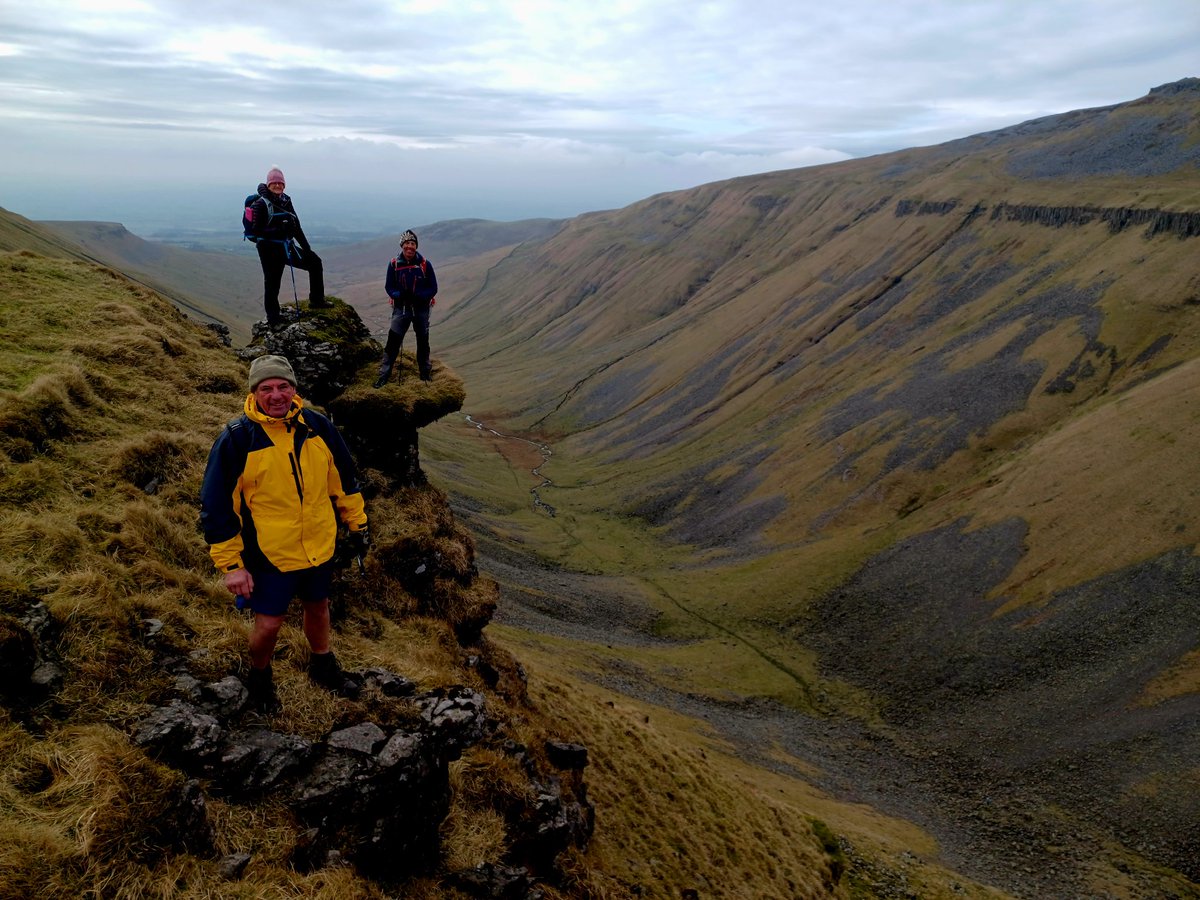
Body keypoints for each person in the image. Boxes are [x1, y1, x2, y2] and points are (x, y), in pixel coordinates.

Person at [200, 354, 369, 712]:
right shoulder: (237, 439)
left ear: (294, 389)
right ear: (254, 393)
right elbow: (217, 507)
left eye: (283, 386)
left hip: (318, 545)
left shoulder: (317, 426)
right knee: (270, 623)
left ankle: (322, 663)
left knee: (319, 606)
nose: (276, 395)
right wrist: (232, 566)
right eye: (266, 388)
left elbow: (343, 478)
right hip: (269, 554)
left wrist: (357, 524)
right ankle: (259, 676)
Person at [248, 166, 328, 326]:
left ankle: (317, 301)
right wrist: (279, 229)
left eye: (280, 183)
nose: (277, 186)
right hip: (268, 250)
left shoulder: (286, 200)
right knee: (272, 282)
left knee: (315, 262)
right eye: (274, 183)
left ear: (284, 185)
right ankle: (274, 319)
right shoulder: (260, 204)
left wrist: (307, 248)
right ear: (268, 184)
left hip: (285, 246)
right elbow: (257, 230)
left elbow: (296, 226)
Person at [374, 229, 438, 387]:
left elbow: (433, 287)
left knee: (423, 342)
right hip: (401, 308)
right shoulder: (394, 264)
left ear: (416, 246)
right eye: (407, 244)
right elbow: (389, 286)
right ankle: (384, 375)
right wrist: (398, 295)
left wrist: (421, 296)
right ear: (402, 246)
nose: (410, 247)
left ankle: (425, 373)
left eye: (413, 244)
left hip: (421, 309)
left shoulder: (424, 264)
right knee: (393, 342)